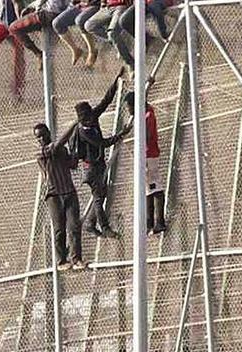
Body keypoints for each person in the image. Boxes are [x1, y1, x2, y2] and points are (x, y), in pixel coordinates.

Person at [70, 69, 131, 239]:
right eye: (88, 118)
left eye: (91, 116)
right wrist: (121, 134)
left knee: (101, 195)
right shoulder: (84, 131)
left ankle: (90, 224)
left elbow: (105, 101)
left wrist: (116, 81)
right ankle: (104, 227)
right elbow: (102, 143)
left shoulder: (92, 118)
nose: (91, 119)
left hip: (98, 164)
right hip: (91, 168)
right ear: (82, 119)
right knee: (98, 197)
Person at [34, 122, 87, 270]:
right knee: (59, 229)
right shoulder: (41, 153)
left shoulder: (61, 150)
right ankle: (61, 261)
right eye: (38, 137)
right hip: (54, 196)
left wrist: (75, 152)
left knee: (74, 226)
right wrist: (74, 125)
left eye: (43, 135)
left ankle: (76, 259)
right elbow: (59, 144)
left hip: (69, 192)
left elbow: (72, 164)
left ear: (49, 133)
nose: (41, 139)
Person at [123, 90, 166, 234]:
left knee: (155, 187)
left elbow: (146, 136)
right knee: (149, 188)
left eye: (129, 106)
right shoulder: (145, 114)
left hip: (149, 156)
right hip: (147, 155)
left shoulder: (147, 116)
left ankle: (159, 221)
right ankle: (150, 222)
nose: (128, 109)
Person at [9, 0, 72, 73]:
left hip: (50, 13)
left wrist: (33, 7)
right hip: (64, 13)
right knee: (49, 51)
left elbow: (40, 3)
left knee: (13, 28)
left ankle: (38, 54)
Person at [85, 0, 135, 69]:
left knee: (112, 34)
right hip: (108, 7)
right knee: (89, 25)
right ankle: (118, 43)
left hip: (121, 6)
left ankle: (131, 64)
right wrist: (103, 4)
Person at [51, 0, 101, 68]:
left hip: (95, 5)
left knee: (80, 20)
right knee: (57, 23)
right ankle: (75, 50)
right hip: (80, 5)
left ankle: (92, 51)